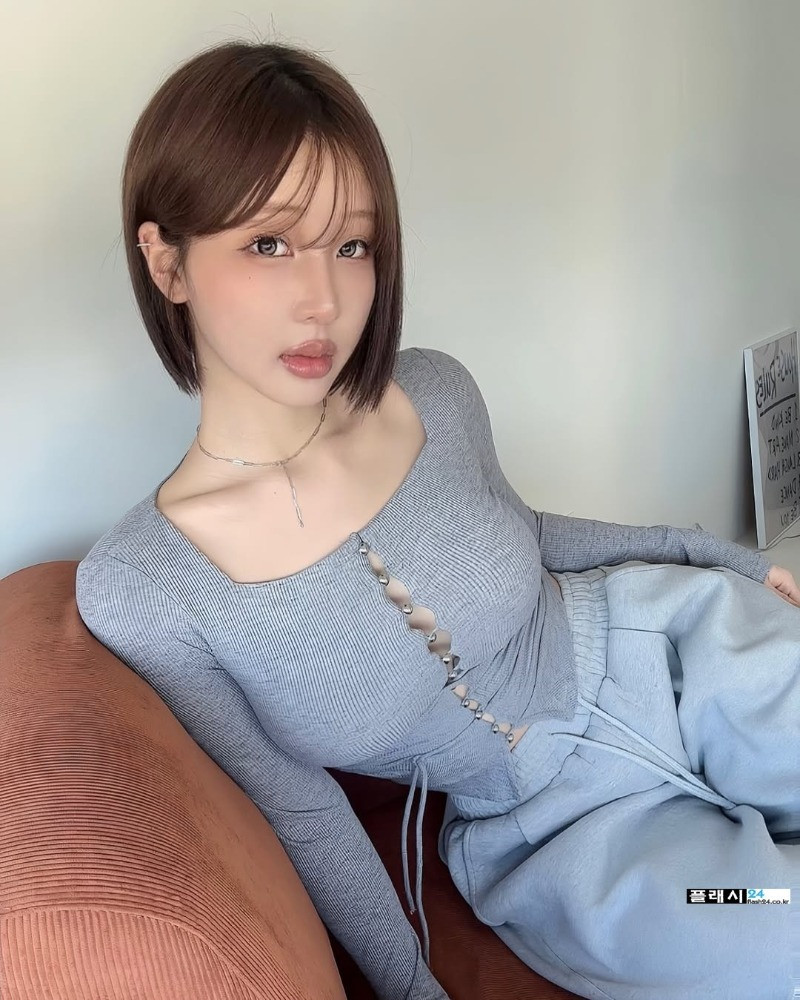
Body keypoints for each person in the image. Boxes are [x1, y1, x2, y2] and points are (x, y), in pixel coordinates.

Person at [75, 40, 800, 1000]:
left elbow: (531, 534)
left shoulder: (432, 391)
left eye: (352, 245)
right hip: (557, 835)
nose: (324, 300)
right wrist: (412, 987)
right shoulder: (146, 588)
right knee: (772, 928)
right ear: (167, 261)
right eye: (268, 244)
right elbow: (300, 810)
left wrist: (723, 561)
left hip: (672, 654)